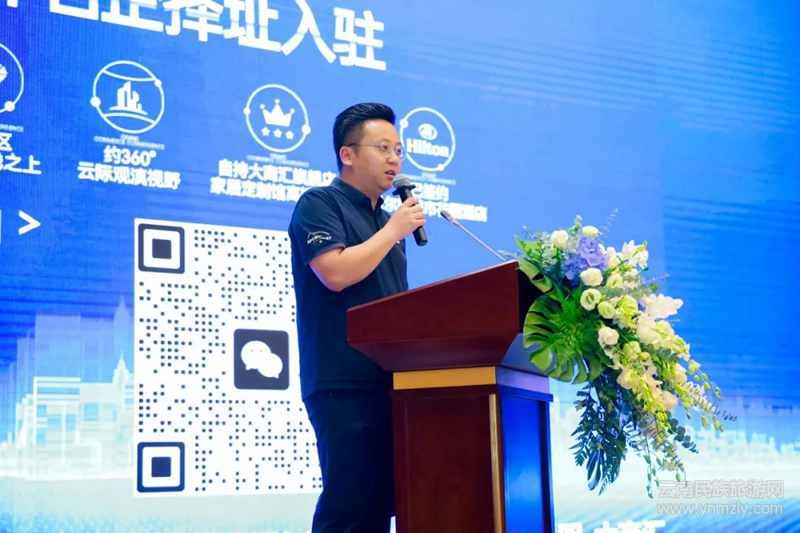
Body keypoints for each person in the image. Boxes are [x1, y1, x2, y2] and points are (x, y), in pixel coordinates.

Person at [288, 102, 425, 532]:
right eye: (382, 148)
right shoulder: (319, 204)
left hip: (392, 383)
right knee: (349, 507)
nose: (394, 159)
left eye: (398, 150)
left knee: (378, 509)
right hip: (342, 382)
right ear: (347, 154)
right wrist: (393, 231)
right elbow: (334, 273)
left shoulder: (386, 222)